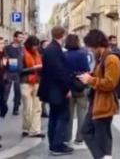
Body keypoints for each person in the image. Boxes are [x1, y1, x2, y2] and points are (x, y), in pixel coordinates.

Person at [78, 29, 120, 159]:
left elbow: (110, 83)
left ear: (97, 44)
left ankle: (104, 157)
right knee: (87, 131)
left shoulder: (111, 59)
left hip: (105, 103)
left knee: (102, 137)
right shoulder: (101, 57)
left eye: (90, 46)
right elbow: (102, 77)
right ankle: (102, 157)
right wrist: (89, 77)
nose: (90, 50)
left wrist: (90, 80)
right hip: (97, 101)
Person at [38, 26, 73, 155]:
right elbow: (59, 71)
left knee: (54, 116)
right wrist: (67, 88)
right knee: (62, 117)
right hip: (57, 90)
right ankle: (57, 145)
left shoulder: (50, 48)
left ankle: (54, 143)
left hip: (52, 89)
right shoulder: (54, 49)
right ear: (62, 35)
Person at [63, 34, 90, 145]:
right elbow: (86, 70)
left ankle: (67, 136)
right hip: (80, 86)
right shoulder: (82, 54)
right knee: (82, 112)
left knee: (68, 114)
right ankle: (80, 137)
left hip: (67, 88)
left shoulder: (63, 55)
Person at [18, 35, 45, 138]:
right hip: (26, 83)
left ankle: (35, 130)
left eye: (37, 46)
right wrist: (33, 68)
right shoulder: (22, 53)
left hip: (37, 82)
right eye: (34, 46)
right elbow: (20, 70)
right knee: (28, 108)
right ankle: (26, 128)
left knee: (37, 108)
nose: (35, 48)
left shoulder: (38, 54)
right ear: (29, 45)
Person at [4, 31, 24, 115]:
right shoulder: (7, 48)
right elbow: (4, 57)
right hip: (9, 71)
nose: (21, 39)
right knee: (6, 91)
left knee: (18, 91)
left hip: (19, 72)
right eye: (20, 37)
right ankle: (3, 106)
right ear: (14, 37)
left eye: (22, 37)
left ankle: (16, 108)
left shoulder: (22, 48)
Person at [39, 40, 50, 118]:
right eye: (46, 44)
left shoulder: (49, 52)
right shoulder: (41, 53)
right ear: (42, 45)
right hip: (42, 76)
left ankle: (43, 110)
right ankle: (43, 110)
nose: (48, 45)